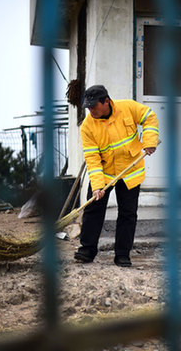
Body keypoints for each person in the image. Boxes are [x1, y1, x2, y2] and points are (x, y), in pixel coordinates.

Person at [74, 85, 159, 267]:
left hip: (130, 171)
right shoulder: (87, 126)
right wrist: (97, 186)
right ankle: (87, 250)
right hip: (104, 174)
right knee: (93, 209)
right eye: (87, 107)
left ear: (106, 101)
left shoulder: (127, 107)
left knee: (128, 213)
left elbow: (149, 117)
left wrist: (149, 141)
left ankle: (122, 255)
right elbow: (92, 157)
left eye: (93, 106)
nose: (90, 111)